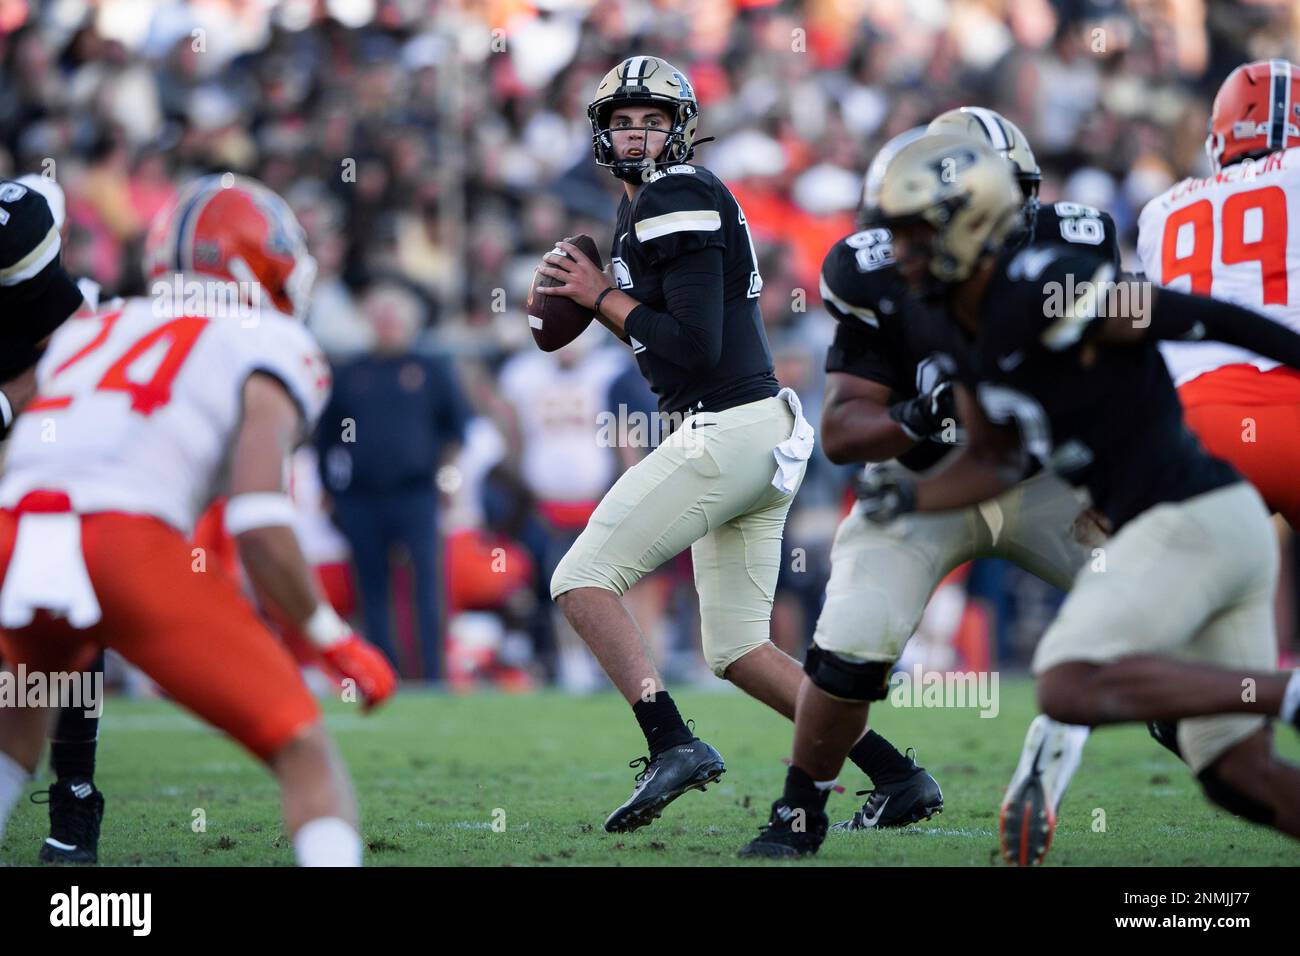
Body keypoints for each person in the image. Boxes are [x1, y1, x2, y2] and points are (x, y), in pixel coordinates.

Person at [743, 132, 1300, 858]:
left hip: (1163, 510)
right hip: (987, 483)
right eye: (897, 232)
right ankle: (799, 814)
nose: (898, 251)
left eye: (915, 233)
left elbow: (1193, 317)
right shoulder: (947, 312)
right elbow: (988, 455)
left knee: (1079, 681)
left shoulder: (1051, 286)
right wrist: (914, 483)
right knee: (1236, 774)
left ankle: (1279, 693)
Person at [0, 174, 396, 866]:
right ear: (256, 262)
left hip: (15, 536)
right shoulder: (268, 341)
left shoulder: (98, 325)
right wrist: (330, 636)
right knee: (304, 751)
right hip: (121, 543)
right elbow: (259, 517)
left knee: (11, 740)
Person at [811, 109, 1115, 852]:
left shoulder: (1069, 253)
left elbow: (1125, 373)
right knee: (849, 645)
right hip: (927, 482)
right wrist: (919, 412)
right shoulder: (879, 273)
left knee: (1155, 619)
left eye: (1008, 193)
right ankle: (798, 810)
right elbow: (843, 432)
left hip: (1044, 483)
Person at [538, 54, 821, 833]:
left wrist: (601, 297)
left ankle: (671, 743)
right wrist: (601, 299)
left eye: (652, 121)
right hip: (751, 431)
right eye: (622, 122)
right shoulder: (646, 209)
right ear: (601, 134)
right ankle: (895, 774)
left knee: (581, 577)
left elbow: (694, 345)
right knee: (739, 651)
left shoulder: (677, 193)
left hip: (727, 426)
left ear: (680, 130)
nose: (636, 135)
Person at [316, 280, 470, 681]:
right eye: (379, 316)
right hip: (362, 497)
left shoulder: (430, 371)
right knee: (372, 591)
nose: (387, 324)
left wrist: (447, 481)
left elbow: (455, 432)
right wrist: (330, 490)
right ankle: (384, 675)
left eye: (394, 316)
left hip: (416, 493)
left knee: (427, 586)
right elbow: (326, 438)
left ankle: (434, 677)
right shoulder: (351, 374)